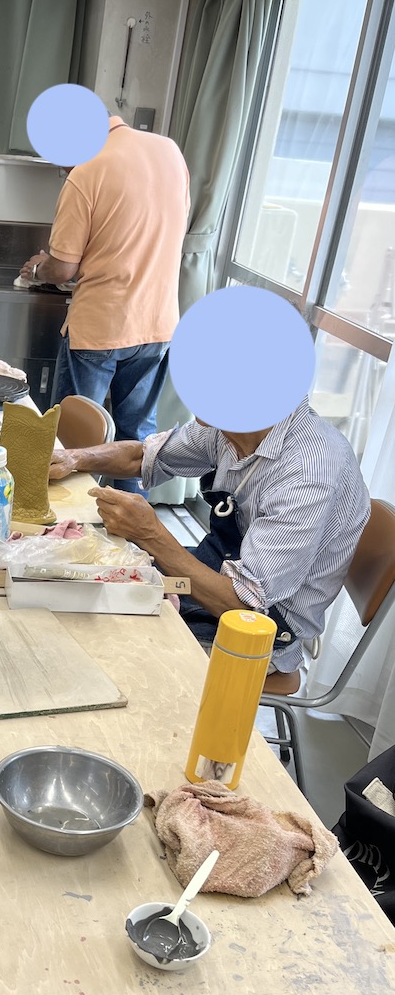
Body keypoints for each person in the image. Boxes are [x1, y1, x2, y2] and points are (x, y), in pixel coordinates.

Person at [54, 397, 371, 687]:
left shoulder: (308, 473)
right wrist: (72, 458)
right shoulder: (235, 427)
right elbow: (143, 456)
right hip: (220, 571)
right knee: (77, 590)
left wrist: (151, 534)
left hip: (262, 628)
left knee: (97, 648)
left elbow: (241, 606)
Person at [20, 112, 190, 494]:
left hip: (100, 328)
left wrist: (38, 269)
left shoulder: (87, 171)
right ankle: (129, 528)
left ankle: (68, 524)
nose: (64, 170)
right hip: (158, 324)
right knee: (137, 442)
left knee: (74, 443)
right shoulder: (170, 152)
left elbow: (63, 269)